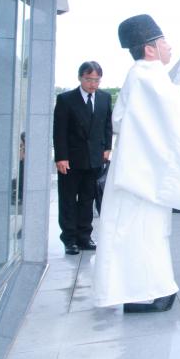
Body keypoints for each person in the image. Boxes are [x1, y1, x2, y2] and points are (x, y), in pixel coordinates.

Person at [93, 14, 180, 313]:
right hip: (139, 179)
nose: (169, 46)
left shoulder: (144, 76)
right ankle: (146, 292)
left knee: (141, 232)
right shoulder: (146, 76)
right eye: (164, 41)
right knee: (142, 233)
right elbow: (178, 120)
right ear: (150, 48)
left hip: (140, 174)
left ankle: (148, 290)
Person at [53, 61, 112, 255]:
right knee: (69, 199)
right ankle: (69, 239)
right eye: (89, 79)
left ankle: (84, 236)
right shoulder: (66, 99)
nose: (93, 84)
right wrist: (61, 157)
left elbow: (107, 126)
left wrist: (107, 148)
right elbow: (59, 131)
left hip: (94, 158)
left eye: (96, 80)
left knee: (88, 199)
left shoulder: (104, 98)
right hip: (70, 159)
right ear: (80, 78)